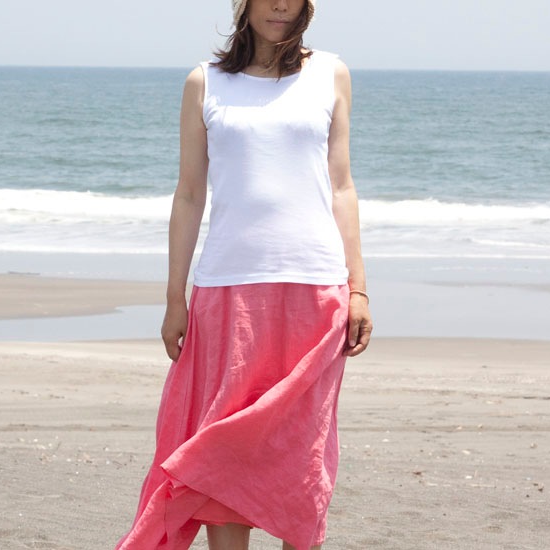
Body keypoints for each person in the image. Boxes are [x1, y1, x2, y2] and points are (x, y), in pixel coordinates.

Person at [115, 0, 372, 548]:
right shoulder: (204, 83)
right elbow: (189, 195)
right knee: (222, 445)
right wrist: (175, 298)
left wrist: (359, 289)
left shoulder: (331, 73)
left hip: (315, 287)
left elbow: (342, 186)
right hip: (227, 289)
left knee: (302, 449)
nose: (281, 5)